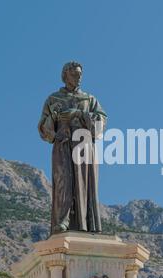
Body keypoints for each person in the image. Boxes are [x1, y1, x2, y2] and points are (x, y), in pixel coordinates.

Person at [38, 61, 107, 234]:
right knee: (63, 180)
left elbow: (100, 123)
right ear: (65, 76)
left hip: (83, 146)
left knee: (83, 183)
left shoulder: (89, 99)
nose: (78, 77)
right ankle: (63, 221)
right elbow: (43, 128)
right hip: (62, 145)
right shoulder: (53, 99)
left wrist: (78, 113)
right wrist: (54, 129)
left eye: (80, 74)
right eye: (74, 74)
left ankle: (86, 222)